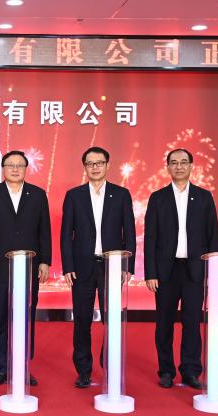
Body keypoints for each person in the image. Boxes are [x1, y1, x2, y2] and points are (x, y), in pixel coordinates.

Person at [60, 146, 136, 388]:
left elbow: (129, 233)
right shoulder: (74, 196)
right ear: (84, 167)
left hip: (111, 267)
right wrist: (68, 266)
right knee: (82, 320)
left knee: (111, 319)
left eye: (99, 163)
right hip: (82, 267)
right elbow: (66, 234)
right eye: (90, 163)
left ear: (107, 165)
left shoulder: (121, 194)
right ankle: (83, 370)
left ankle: (109, 364)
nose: (95, 167)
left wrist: (127, 264)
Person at [144, 148, 218, 389]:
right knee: (164, 323)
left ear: (191, 166)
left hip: (194, 270)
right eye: (174, 162)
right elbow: (150, 238)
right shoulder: (158, 198)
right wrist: (151, 273)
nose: (179, 166)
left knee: (192, 322)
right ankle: (166, 370)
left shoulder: (204, 197)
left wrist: (212, 271)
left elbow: (213, 236)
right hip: (166, 272)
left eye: (183, 162)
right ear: (167, 167)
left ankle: (190, 371)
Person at [0, 150, 51, 386]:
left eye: (20, 165)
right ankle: (1, 367)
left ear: (26, 169)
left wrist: (45, 261)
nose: (15, 169)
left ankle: (23, 366)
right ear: (3, 169)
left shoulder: (38, 195)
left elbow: (44, 231)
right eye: (11, 165)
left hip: (29, 267)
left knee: (25, 316)